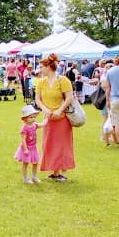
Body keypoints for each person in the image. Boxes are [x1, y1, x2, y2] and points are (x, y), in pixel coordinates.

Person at [35, 53, 75, 182]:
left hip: (62, 118)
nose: (40, 70)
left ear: (48, 67)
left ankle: (59, 171)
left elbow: (69, 97)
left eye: (41, 67)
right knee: (48, 143)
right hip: (48, 118)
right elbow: (37, 99)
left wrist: (59, 110)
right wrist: (45, 109)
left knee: (62, 144)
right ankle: (54, 170)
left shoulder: (63, 80)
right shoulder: (41, 82)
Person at [16, 105, 42, 184]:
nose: (33, 119)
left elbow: (42, 124)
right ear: (25, 118)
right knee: (26, 163)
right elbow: (23, 139)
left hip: (34, 148)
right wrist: (25, 149)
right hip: (27, 148)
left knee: (35, 162)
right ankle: (25, 178)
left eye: (34, 117)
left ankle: (34, 176)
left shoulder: (34, 125)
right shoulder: (24, 127)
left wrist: (47, 120)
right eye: (31, 117)